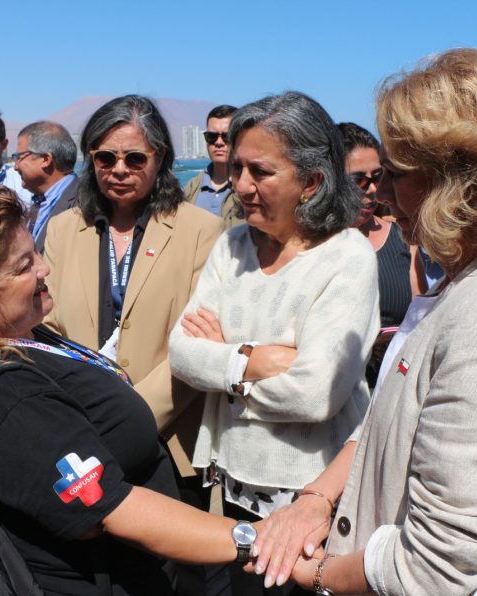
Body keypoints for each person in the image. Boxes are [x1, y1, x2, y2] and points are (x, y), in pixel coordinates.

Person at [251, 48, 477, 595]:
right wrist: (316, 500)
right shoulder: (467, 283)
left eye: (396, 174)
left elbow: (436, 564)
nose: (382, 194)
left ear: (459, 182)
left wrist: (315, 573)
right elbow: (392, 423)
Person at [0, 185, 265, 594]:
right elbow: (111, 510)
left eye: (35, 253)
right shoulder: (10, 394)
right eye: (23, 267)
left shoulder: (24, 336)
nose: (44, 269)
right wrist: (254, 541)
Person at [169, 92, 379, 595]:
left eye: (260, 171)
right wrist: (254, 360)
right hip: (234, 491)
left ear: (311, 182)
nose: (241, 185)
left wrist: (225, 370)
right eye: (237, 167)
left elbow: (316, 394)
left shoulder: (346, 256)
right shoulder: (232, 246)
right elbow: (181, 352)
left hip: (313, 500)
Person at [42, 95, 223, 512]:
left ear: (160, 158)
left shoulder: (202, 231)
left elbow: (199, 340)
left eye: (135, 158)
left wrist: (126, 419)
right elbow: (47, 328)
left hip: (169, 441)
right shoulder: (63, 229)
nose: (119, 169)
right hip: (81, 435)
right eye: (105, 158)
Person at [338, 122, 427, 387]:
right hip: (337, 388)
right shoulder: (311, 245)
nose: (372, 189)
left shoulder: (402, 238)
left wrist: (398, 338)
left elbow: (421, 319)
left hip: (391, 381)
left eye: (378, 177)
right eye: (358, 180)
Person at [12, 121, 79, 252]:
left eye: (19, 157)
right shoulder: (38, 202)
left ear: (45, 159)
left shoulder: (84, 204)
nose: (15, 166)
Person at [184, 105, 243, 228]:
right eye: (212, 137)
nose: (218, 142)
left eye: (226, 136)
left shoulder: (250, 189)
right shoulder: (192, 189)